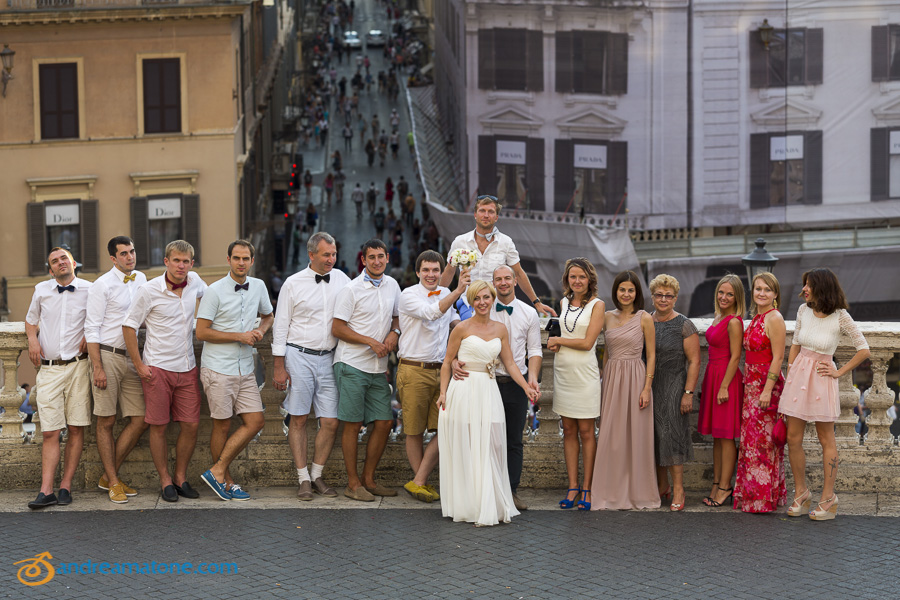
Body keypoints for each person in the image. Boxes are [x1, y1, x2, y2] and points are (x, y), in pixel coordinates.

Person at [438, 281, 539, 526]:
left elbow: (511, 363)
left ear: (492, 298)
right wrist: (442, 393)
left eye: (486, 297)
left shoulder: (501, 329)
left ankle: (490, 502)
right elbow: (446, 362)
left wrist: (526, 386)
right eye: (477, 298)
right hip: (463, 390)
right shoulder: (461, 328)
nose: (482, 302)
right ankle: (471, 505)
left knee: (493, 443)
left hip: (489, 389)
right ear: (471, 301)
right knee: (470, 444)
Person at [780, 268, 870, 520]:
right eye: (805, 284)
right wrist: (790, 375)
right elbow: (795, 344)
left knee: (825, 438)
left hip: (822, 378)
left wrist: (839, 372)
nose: (805, 289)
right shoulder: (802, 311)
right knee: (793, 437)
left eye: (809, 285)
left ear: (823, 287)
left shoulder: (840, 317)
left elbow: (864, 349)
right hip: (798, 377)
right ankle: (801, 493)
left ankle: (829, 498)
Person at [123, 240, 207, 503]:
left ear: (191, 264)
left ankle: (181, 477)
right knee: (157, 427)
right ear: (166, 262)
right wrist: (139, 366)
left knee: (191, 425)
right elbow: (129, 326)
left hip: (187, 367)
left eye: (186, 261)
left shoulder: (196, 283)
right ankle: (165, 480)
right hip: (157, 368)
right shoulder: (149, 290)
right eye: (176, 261)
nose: (181, 266)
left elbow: (213, 300)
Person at [273, 232, 350, 500]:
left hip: (330, 357)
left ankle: (317, 475)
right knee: (299, 418)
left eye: (334, 254)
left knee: (330, 421)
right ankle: (302, 478)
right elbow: (280, 326)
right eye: (326, 254)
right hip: (298, 356)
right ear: (311, 255)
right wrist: (278, 366)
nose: (331, 259)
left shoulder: (342, 279)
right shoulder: (292, 284)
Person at [196, 240, 272, 501]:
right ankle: (226, 481)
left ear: (252, 261)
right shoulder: (214, 291)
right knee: (222, 426)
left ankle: (216, 471)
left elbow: (268, 315)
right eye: (236, 258)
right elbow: (202, 331)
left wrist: (260, 331)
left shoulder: (259, 286)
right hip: (218, 369)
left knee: (256, 421)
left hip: (246, 369)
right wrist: (239, 336)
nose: (241, 262)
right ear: (228, 259)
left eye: (246, 258)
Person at [332, 239, 402, 501]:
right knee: (352, 424)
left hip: (378, 367)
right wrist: (370, 341)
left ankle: (369, 479)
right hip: (351, 363)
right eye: (371, 257)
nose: (376, 261)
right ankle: (352, 483)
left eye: (380, 256)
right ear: (363, 260)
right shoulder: (351, 290)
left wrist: (394, 332)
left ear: (387, 258)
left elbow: (397, 315)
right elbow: (337, 328)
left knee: (384, 422)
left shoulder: (393, 285)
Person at [25, 247, 92, 509]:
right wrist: (32, 340)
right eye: (55, 261)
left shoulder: (91, 289)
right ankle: (46, 491)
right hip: (49, 369)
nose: (60, 263)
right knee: (50, 430)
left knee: (76, 427)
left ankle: (66, 486)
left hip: (79, 367)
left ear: (73, 262)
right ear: (50, 269)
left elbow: (104, 318)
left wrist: (91, 333)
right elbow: (31, 322)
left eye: (64, 258)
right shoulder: (41, 290)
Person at [398, 251, 468, 502]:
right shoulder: (408, 295)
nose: (430, 275)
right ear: (417, 272)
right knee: (414, 431)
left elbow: (456, 326)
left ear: (441, 272)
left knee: (445, 428)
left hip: (443, 371)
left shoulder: (446, 296)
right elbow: (431, 313)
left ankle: (419, 480)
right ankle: (422, 483)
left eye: (435, 270)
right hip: (413, 369)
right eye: (426, 270)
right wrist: (457, 291)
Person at [84, 236, 149, 504]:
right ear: (113, 258)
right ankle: (113, 481)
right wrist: (97, 366)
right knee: (107, 420)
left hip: (134, 357)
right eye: (123, 254)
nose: (130, 257)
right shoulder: (102, 285)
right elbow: (91, 327)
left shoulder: (143, 279)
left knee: (142, 418)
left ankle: (107, 475)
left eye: (132, 251)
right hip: (108, 357)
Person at [591, 271, 659, 510]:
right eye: (622, 290)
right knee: (611, 435)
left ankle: (639, 493)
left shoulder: (644, 318)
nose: (626, 294)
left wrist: (647, 387)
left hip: (636, 376)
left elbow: (651, 355)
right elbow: (606, 351)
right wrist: (604, 377)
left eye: (631, 290)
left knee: (637, 435)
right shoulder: (607, 317)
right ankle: (609, 491)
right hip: (612, 377)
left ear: (636, 293)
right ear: (616, 292)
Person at [547, 258, 604, 511]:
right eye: (573, 277)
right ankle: (572, 486)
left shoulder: (598, 305)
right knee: (568, 430)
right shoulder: (563, 303)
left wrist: (560, 338)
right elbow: (568, 334)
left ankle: (588, 488)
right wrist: (557, 342)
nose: (577, 281)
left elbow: (587, 342)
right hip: (563, 371)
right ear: (567, 280)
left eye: (582, 277)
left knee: (586, 432)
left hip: (585, 375)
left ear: (590, 279)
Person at [440, 195, 556, 318]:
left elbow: (519, 273)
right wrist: (436, 300)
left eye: (490, 212)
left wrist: (536, 302)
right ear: (475, 214)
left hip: (497, 304)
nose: (486, 215)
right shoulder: (460, 241)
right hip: (469, 303)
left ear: (496, 217)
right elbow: (449, 272)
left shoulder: (506, 242)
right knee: (472, 334)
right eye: (482, 211)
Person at [734, 272, 787, 514]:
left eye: (767, 289)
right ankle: (752, 496)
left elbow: (778, 357)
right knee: (752, 443)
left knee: (764, 445)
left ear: (775, 294)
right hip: (752, 385)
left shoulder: (774, 318)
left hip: (766, 386)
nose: (761, 293)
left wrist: (767, 391)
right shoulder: (757, 317)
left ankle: (763, 499)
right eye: (758, 289)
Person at [649, 274, 700, 511]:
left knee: (671, 436)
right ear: (652, 296)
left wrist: (688, 393)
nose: (663, 299)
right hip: (649, 387)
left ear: (675, 298)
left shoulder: (684, 324)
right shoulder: (646, 321)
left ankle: (678, 488)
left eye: (668, 295)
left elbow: (694, 361)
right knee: (653, 438)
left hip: (674, 386)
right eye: (659, 294)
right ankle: (661, 487)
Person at [700, 274, 745, 507]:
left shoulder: (734, 321)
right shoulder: (719, 316)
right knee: (717, 437)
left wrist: (724, 386)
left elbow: (736, 356)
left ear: (737, 297)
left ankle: (726, 487)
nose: (724, 297)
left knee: (727, 437)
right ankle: (716, 483)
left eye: (729, 294)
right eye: (721, 292)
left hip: (726, 380)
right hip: (713, 375)